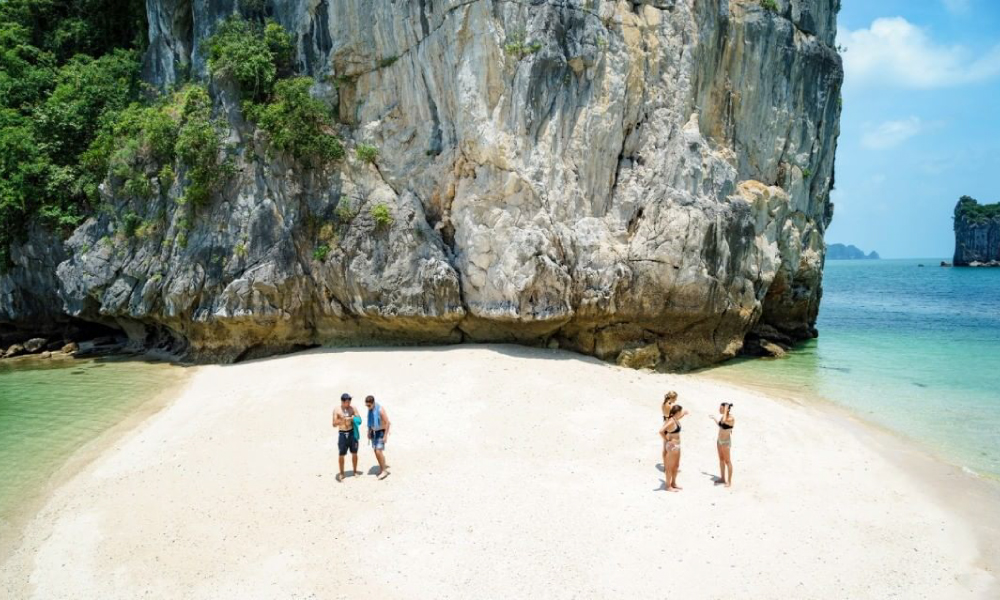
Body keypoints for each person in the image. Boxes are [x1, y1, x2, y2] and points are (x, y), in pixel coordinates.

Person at [333, 393, 362, 480]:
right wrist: (341, 419)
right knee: (341, 454)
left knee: (354, 453)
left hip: (352, 432)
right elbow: (334, 424)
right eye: (347, 402)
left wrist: (352, 418)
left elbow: (360, 420)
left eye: (350, 401)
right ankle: (342, 473)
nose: (349, 403)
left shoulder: (353, 408)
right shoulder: (337, 410)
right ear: (342, 401)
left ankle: (355, 471)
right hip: (342, 432)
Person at [659, 404, 688, 492]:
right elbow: (661, 431)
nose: (681, 413)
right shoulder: (671, 421)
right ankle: (668, 486)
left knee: (676, 466)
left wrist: (684, 414)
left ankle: (673, 483)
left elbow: (679, 417)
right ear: (677, 412)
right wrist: (667, 440)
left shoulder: (675, 419)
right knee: (669, 467)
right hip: (672, 446)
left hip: (677, 446)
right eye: (681, 412)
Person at [365, 395, 391, 479]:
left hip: (380, 432)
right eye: (366, 405)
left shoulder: (380, 410)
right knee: (376, 452)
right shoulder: (370, 410)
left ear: (373, 403)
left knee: (378, 451)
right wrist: (369, 432)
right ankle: (382, 468)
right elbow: (370, 422)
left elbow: (387, 423)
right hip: (374, 432)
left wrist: (385, 435)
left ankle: (384, 471)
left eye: (369, 405)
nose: (368, 407)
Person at [711, 402, 735, 487]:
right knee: (721, 460)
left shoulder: (731, 418)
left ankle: (729, 481)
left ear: (726, 409)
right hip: (719, 441)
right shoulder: (723, 417)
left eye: (721, 408)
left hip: (725, 442)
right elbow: (721, 425)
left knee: (727, 461)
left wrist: (725, 410)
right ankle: (722, 478)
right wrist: (715, 419)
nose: (719, 410)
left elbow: (725, 421)